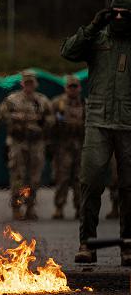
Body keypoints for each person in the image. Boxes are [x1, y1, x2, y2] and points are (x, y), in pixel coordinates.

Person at [61, 0, 131, 265]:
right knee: (90, 183)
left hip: (128, 124)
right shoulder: (97, 40)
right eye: (114, 14)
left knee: (129, 188)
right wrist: (91, 26)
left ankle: (127, 245)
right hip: (98, 122)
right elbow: (68, 52)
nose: (119, 19)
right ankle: (87, 244)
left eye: (125, 15)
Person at [0, 71, 54, 221]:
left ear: (35, 84)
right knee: (17, 175)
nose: (29, 86)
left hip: (36, 143)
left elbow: (51, 119)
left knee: (35, 177)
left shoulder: (42, 101)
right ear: (22, 84)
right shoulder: (12, 99)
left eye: (31, 83)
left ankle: (30, 207)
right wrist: (17, 119)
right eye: (26, 83)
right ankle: (17, 207)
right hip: (18, 142)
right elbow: (2, 115)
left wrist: (41, 122)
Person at [51, 75, 84, 219]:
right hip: (63, 146)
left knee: (80, 179)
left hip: (80, 146)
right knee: (62, 178)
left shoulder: (84, 104)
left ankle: (80, 208)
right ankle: (59, 207)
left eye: (75, 87)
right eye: (70, 87)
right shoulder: (58, 103)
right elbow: (49, 122)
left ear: (79, 88)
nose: (73, 89)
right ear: (66, 88)